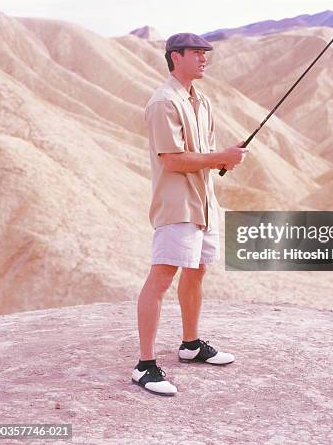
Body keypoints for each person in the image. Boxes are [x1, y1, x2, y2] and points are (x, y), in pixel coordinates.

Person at [132, 32, 248, 396]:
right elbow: (172, 160)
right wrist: (219, 158)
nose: (203, 58)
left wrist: (222, 158)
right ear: (175, 57)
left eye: (204, 53)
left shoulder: (202, 101)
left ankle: (191, 344)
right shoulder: (164, 103)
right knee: (161, 277)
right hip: (177, 204)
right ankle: (145, 365)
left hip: (203, 203)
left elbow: (202, 153)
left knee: (197, 272)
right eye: (196, 53)